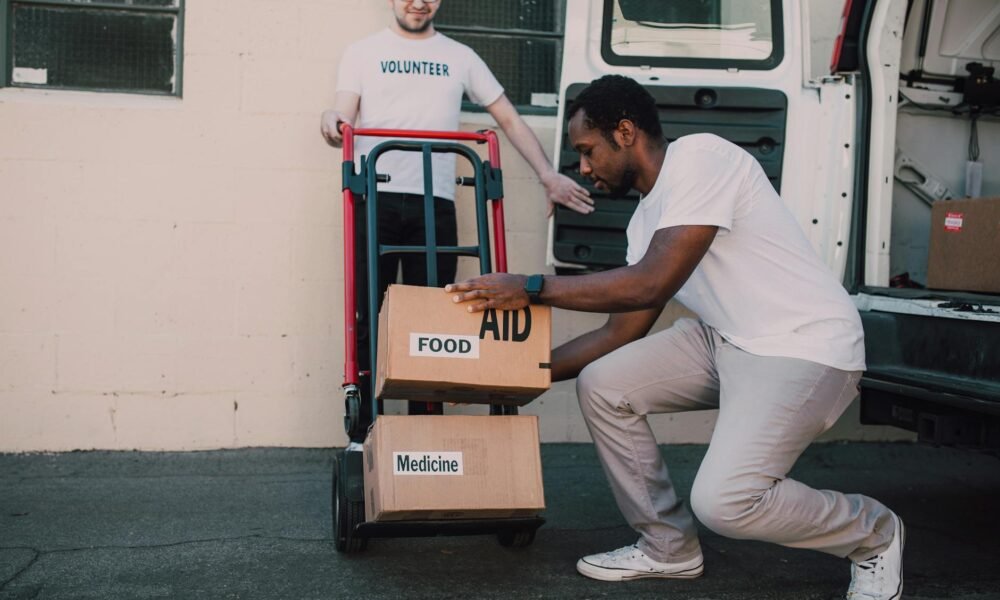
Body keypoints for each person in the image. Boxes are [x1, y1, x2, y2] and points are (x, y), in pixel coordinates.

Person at [446, 75, 904, 600]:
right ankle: (669, 548)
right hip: (727, 339)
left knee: (727, 503)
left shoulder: (701, 158)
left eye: (587, 150)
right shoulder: (644, 222)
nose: (585, 168)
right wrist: (511, 376)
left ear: (624, 131)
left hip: (803, 347)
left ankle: (874, 533)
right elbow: (622, 329)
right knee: (603, 384)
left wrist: (532, 287)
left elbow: (652, 282)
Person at [321, 0, 592, 425]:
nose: (418, 2)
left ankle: (423, 427)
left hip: (436, 204)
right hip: (377, 197)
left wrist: (548, 176)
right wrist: (331, 119)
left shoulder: (460, 56)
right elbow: (341, 110)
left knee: (430, 315)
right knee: (369, 311)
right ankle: (367, 430)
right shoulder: (362, 52)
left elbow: (508, 118)